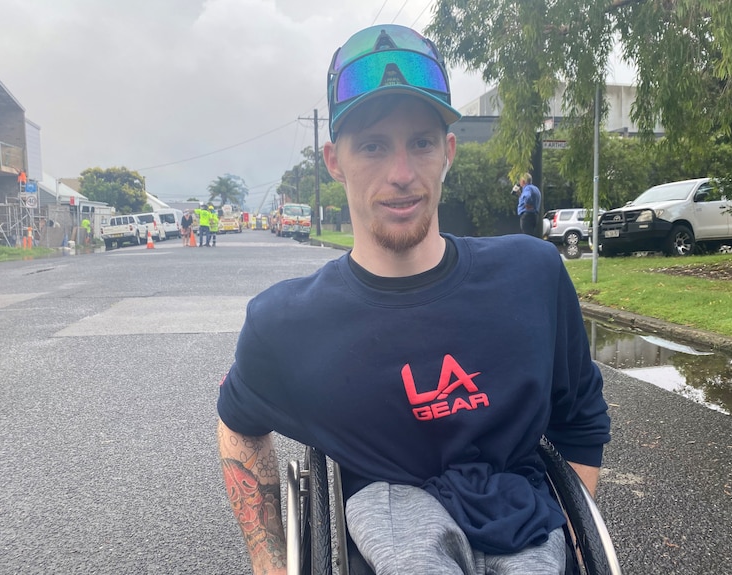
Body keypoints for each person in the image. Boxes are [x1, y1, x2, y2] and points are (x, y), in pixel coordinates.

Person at [217, 24, 610, 575]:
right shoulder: (285, 324)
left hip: (524, 530)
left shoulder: (532, 275)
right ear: (335, 159)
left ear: (447, 151)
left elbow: (581, 418)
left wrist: (572, 538)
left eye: (421, 142)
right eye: (373, 145)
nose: (401, 175)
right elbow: (238, 424)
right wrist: (270, 562)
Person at [515, 173, 543, 238]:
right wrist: (520, 195)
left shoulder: (527, 188)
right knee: (531, 235)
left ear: (523, 181)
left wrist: (528, 204)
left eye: (520, 180)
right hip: (534, 215)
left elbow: (527, 197)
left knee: (526, 236)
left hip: (526, 216)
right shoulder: (535, 188)